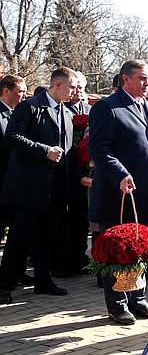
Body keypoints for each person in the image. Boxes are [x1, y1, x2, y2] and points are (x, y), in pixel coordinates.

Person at [87, 59, 148, 324]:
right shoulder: (108, 108)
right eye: (142, 78)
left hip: (145, 194)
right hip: (117, 194)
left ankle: (139, 299)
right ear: (125, 78)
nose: (147, 83)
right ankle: (118, 305)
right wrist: (120, 174)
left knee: (140, 248)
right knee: (119, 249)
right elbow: (99, 148)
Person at [0, 68, 76, 304]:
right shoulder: (30, 107)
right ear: (58, 85)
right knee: (20, 236)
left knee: (48, 235)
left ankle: (43, 279)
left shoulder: (67, 112)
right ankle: (5, 284)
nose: (74, 92)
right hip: (28, 186)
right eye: (71, 87)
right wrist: (45, 152)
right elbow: (12, 137)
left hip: (55, 187)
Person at [54, 71, 92, 278]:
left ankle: (79, 257)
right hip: (67, 171)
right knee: (64, 220)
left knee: (81, 219)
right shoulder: (62, 109)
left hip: (87, 170)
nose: (77, 91)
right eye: (74, 87)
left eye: (81, 87)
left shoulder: (89, 110)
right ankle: (62, 261)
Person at [0, 74, 26, 241]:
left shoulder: (22, 114)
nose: (24, 95)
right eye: (20, 91)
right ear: (6, 91)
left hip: (15, 182)